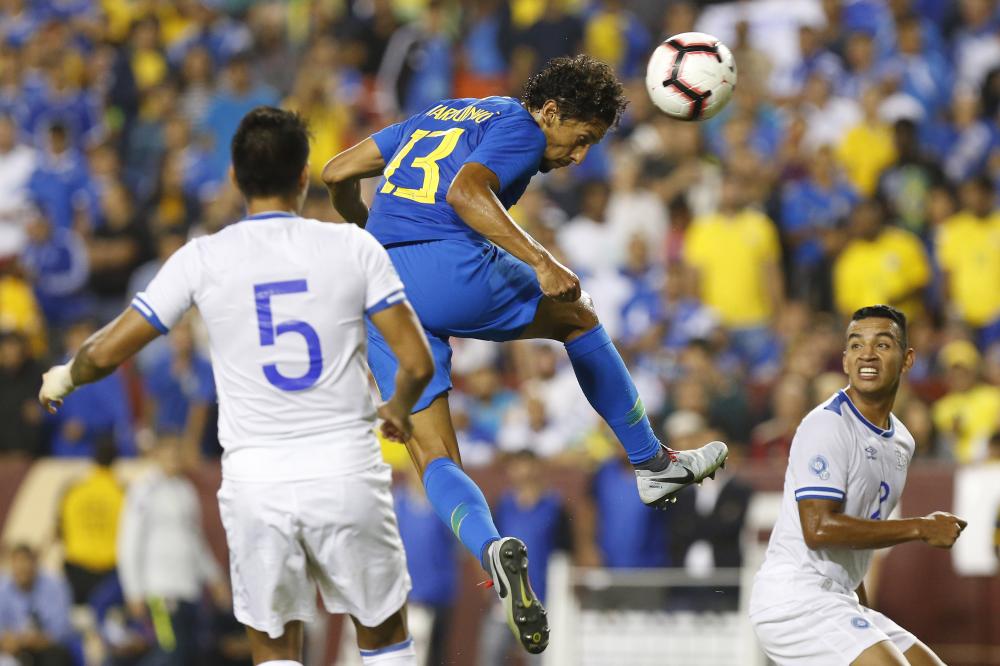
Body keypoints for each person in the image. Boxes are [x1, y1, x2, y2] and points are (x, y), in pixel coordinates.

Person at [38, 107, 444, 666]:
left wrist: (64, 374)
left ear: (233, 178)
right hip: (345, 468)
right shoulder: (353, 247)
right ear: (304, 176)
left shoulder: (203, 257)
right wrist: (396, 407)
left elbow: (107, 351)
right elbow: (418, 362)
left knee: (275, 651)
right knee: (384, 639)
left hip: (258, 482)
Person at [321, 47, 726, 567]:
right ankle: (652, 462)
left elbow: (336, 172)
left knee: (433, 454)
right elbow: (468, 193)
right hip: (447, 270)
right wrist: (541, 260)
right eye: (581, 139)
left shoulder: (436, 115)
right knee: (577, 315)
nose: (579, 157)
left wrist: (367, 229)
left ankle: (490, 550)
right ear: (551, 111)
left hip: (378, 288)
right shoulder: (521, 125)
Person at [750, 305, 967, 666]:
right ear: (846, 361)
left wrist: (863, 618)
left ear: (907, 359)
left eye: (882, 344)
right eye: (855, 345)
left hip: (838, 598)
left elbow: (856, 539)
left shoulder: (902, 441)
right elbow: (818, 529)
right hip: (794, 598)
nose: (867, 353)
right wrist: (921, 527)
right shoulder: (827, 425)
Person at [0, 544, 75, 666]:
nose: (23, 569)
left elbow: (62, 630)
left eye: (26, 563)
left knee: (57, 656)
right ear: (12, 566)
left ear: (35, 564)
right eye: (18, 565)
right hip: (14, 651)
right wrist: (9, 640)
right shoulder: (2, 588)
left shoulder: (55, 586)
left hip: (48, 650)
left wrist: (36, 640)